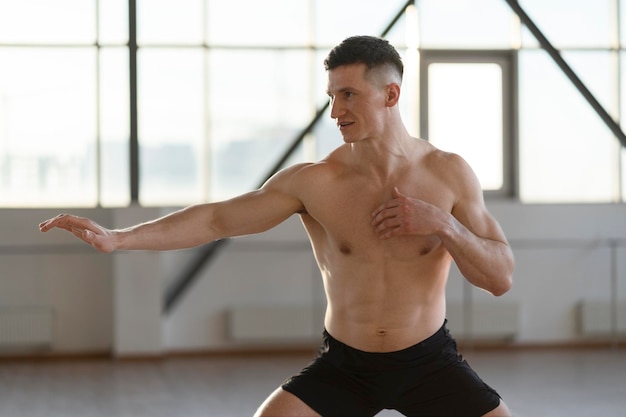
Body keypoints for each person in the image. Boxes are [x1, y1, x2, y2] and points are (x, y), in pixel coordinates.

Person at [40, 35, 514, 416]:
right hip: (347, 364)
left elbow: (500, 277)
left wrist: (445, 227)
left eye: (348, 95)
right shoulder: (316, 181)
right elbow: (217, 218)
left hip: (428, 361)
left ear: (391, 94)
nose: (335, 112)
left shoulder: (448, 173)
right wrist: (119, 239)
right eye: (331, 96)